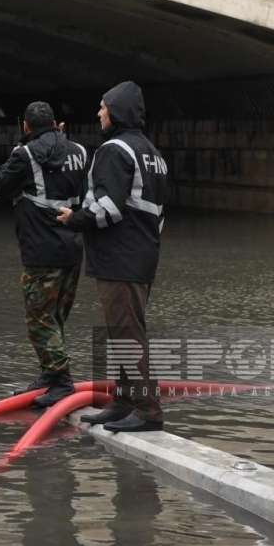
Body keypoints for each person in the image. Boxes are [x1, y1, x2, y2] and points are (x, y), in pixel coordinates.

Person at [56, 81, 170, 433]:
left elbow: (107, 208)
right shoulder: (151, 153)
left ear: (117, 111)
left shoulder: (114, 150)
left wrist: (73, 218)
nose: (99, 112)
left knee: (125, 334)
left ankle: (148, 410)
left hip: (120, 257)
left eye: (103, 106)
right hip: (141, 255)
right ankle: (123, 402)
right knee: (123, 330)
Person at [0, 101, 88, 409]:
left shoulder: (25, 154)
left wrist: (18, 152)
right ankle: (49, 375)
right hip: (73, 247)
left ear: (26, 126)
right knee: (57, 317)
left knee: (40, 320)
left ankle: (61, 381)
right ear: (57, 123)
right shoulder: (80, 152)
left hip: (41, 250)